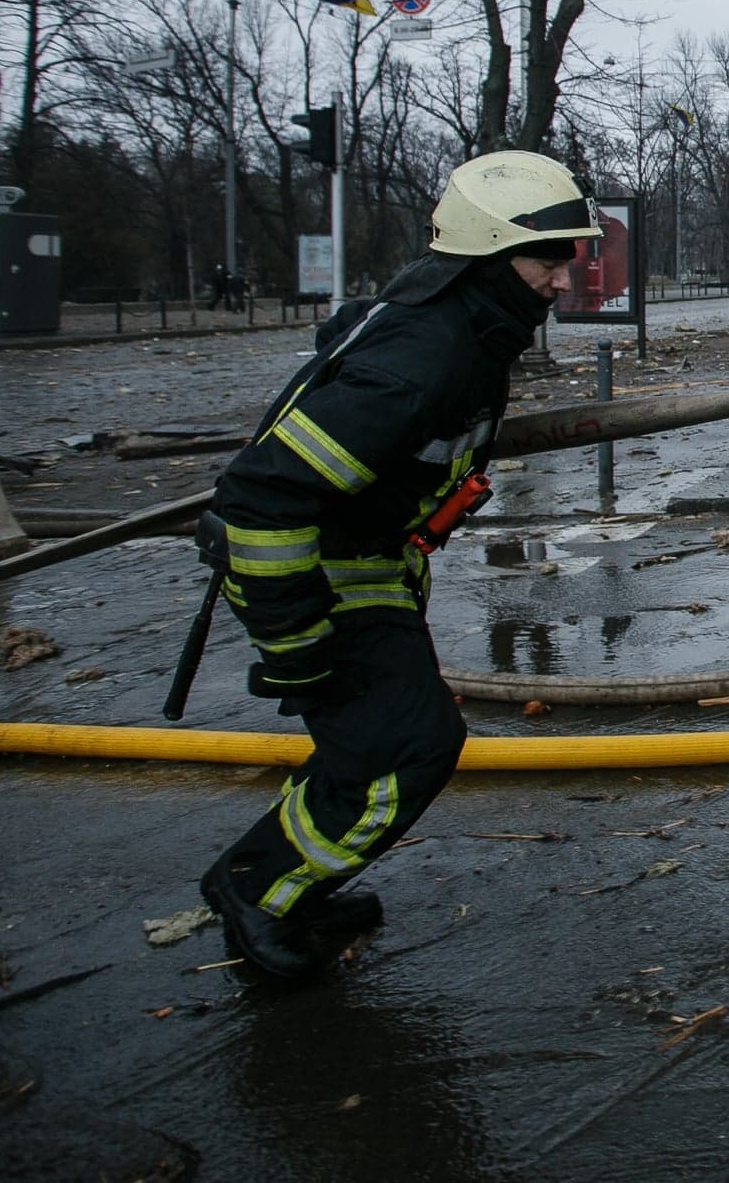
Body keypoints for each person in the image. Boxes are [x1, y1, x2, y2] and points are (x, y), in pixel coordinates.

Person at [192, 151, 596, 979]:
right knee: (406, 748)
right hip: (314, 573)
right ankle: (261, 888)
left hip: (364, 562)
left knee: (374, 744)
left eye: (568, 259)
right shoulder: (426, 356)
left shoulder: (466, 327)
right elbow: (262, 499)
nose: (563, 279)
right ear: (489, 253)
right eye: (549, 259)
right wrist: (297, 644)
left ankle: (296, 879)